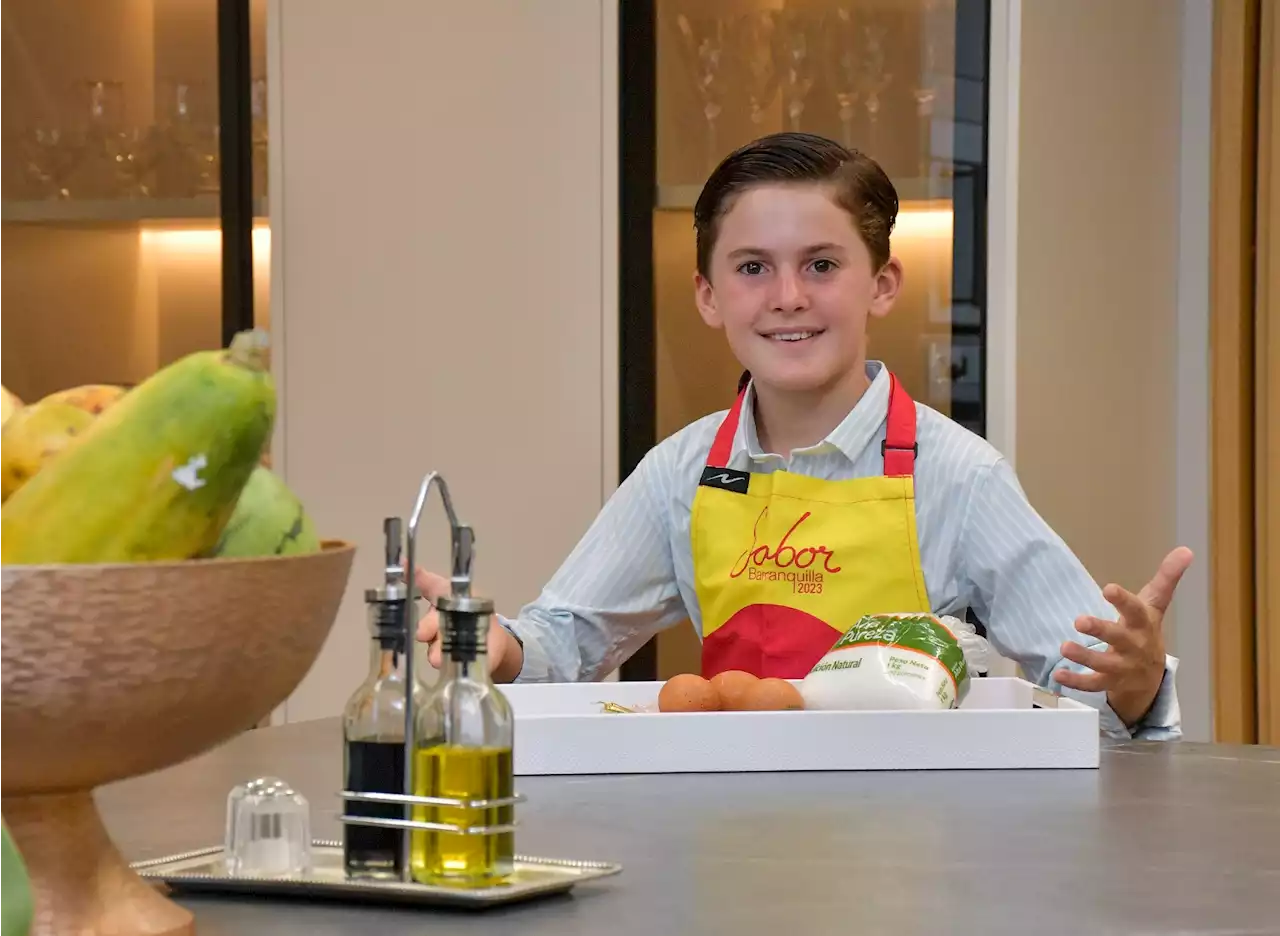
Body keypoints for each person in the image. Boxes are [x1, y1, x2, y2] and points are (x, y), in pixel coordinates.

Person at [415, 131, 1191, 741]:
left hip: (918, 852)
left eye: (821, 264)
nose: (788, 297)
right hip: (724, 845)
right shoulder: (678, 474)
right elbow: (567, 641)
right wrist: (499, 648)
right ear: (709, 295)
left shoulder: (959, 475)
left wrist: (1135, 677)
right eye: (752, 267)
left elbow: (1088, 681)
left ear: (882, 283)